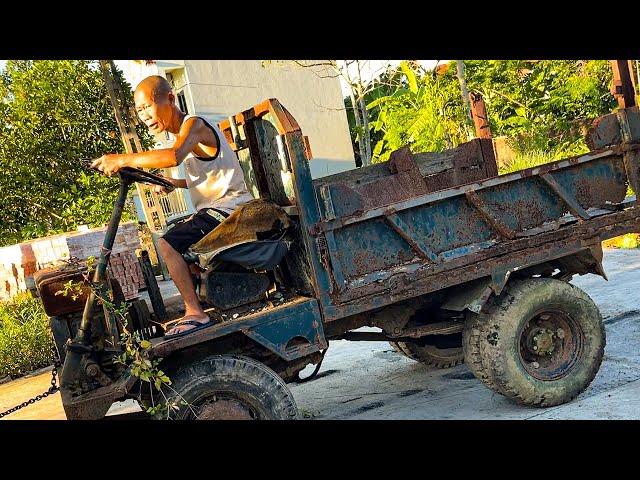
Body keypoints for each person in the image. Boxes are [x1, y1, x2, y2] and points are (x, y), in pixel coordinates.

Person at [91, 75, 253, 337]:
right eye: (140, 111)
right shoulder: (186, 134)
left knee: (167, 243)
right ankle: (204, 298)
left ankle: (195, 312)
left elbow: (171, 157)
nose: (144, 116)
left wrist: (121, 159)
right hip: (220, 207)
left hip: (230, 209)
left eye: (147, 107)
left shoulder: (194, 125)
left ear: (170, 99)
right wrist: (173, 183)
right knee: (177, 232)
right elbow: (209, 176)